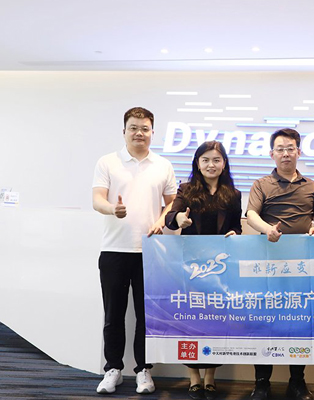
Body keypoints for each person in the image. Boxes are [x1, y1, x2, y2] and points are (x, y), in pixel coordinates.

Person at [92, 107, 177, 394]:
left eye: (145, 128)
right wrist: (112, 209)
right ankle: (113, 369)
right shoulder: (107, 162)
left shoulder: (163, 165)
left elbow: (172, 203)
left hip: (150, 251)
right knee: (113, 314)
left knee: (147, 316)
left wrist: (161, 219)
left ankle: (143, 370)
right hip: (114, 249)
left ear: (152, 132)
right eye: (133, 128)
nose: (139, 133)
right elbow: (97, 199)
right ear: (124, 131)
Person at [246, 128, 314, 400]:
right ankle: (261, 383)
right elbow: (251, 215)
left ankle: (297, 382)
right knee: (265, 322)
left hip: (302, 265)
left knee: (300, 321)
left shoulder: (310, 185)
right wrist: (267, 229)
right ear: (272, 154)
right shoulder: (261, 184)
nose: (285, 154)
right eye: (280, 149)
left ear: (299, 152)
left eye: (290, 148)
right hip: (268, 264)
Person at [165, 140, 242, 400]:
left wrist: (235, 233)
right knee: (191, 321)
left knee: (216, 320)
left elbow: (236, 226)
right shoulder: (186, 190)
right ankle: (194, 377)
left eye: (216, 160)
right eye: (206, 160)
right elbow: (171, 216)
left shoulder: (233, 194)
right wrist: (179, 219)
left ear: (224, 164)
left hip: (219, 267)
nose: (211, 165)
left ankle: (210, 376)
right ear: (197, 163)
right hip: (191, 267)